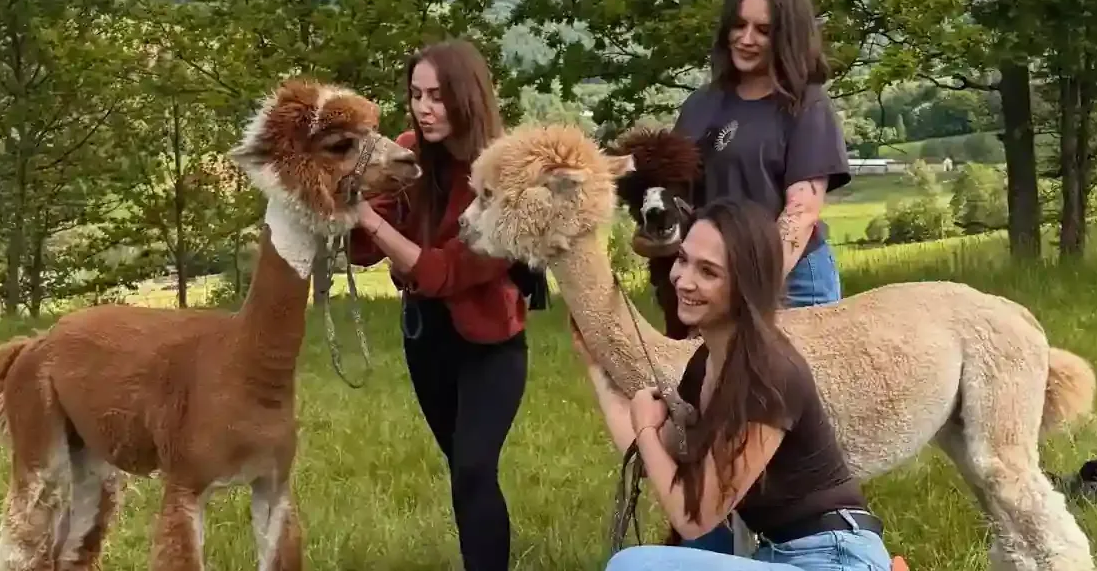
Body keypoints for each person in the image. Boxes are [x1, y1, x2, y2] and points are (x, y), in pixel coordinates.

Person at [571, 197, 895, 571]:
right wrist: (598, 370)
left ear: (745, 284)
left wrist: (645, 424)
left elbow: (694, 518)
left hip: (837, 559)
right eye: (682, 260)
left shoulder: (767, 375)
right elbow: (653, 459)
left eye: (708, 272)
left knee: (633, 566)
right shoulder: (707, 364)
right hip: (778, 556)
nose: (684, 280)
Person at [348, 38, 539, 571]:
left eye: (438, 95)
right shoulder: (408, 152)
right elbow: (362, 250)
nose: (424, 107)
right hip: (425, 338)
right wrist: (345, 197)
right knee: (462, 470)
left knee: (476, 467)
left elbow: (446, 271)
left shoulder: (507, 175)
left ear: (467, 98)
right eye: (416, 94)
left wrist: (367, 220)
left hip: (491, 345)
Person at [671, 0, 851, 310]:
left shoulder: (806, 105)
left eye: (763, 30)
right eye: (738, 25)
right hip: (712, 281)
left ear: (787, 37)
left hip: (793, 282)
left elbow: (800, 214)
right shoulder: (700, 104)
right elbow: (678, 198)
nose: (746, 39)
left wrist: (748, 289)